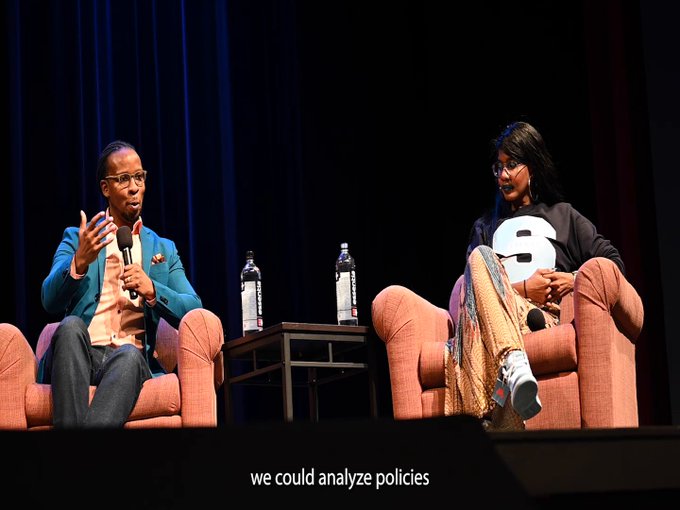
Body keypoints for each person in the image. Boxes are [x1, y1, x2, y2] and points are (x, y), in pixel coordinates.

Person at [445, 121, 626, 430]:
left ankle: (486, 418)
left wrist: (575, 279)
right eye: (498, 167)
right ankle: (513, 366)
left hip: (541, 319)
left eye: (511, 165)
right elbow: (467, 296)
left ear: (533, 166)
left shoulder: (563, 216)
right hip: (501, 320)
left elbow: (613, 264)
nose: (502, 175)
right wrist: (525, 289)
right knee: (480, 257)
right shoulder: (485, 227)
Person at [39, 140, 203, 428]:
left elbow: (194, 309)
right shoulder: (78, 238)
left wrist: (153, 290)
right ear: (106, 188)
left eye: (139, 177)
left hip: (126, 364)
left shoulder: (163, 249)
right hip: (80, 355)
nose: (134, 187)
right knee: (71, 326)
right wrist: (79, 262)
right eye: (124, 179)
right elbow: (49, 300)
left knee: (129, 354)